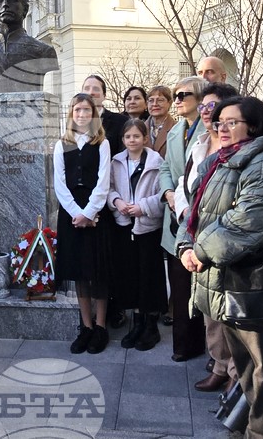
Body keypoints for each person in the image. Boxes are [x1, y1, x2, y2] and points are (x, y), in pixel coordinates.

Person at [177, 96, 263, 439]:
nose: (222, 128)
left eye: (232, 122)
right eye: (219, 122)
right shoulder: (218, 162)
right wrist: (185, 245)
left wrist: (200, 251)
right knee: (245, 368)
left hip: (253, 286)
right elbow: (194, 212)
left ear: (253, 126)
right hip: (224, 283)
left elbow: (247, 223)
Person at [176, 82, 239, 392]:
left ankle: (236, 373)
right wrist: (185, 224)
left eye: (211, 107)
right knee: (209, 309)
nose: (204, 112)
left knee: (230, 312)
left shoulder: (238, 147)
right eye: (202, 106)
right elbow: (185, 186)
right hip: (197, 237)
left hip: (225, 243)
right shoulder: (199, 144)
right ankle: (219, 364)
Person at [54, 93, 112, 354]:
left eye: (87, 110)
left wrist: (89, 213)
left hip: (95, 211)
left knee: (97, 271)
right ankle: (86, 326)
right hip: (71, 213)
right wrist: (77, 213)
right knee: (79, 271)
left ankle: (100, 327)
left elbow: (103, 181)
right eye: (77, 110)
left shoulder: (102, 143)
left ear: (93, 114)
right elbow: (59, 183)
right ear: (71, 113)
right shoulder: (62, 144)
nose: (82, 114)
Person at [158, 76, 207, 361]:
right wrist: (168, 193)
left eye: (183, 95)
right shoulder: (176, 131)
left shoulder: (209, 130)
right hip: (176, 218)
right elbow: (166, 168)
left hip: (200, 216)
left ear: (199, 99)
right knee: (179, 285)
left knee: (202, 286)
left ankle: (211, 350)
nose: (176, 100)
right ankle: (183, 346)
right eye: (175, 95)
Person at [107, 119, 166, 351]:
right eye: (128, 136)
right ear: (123, 140)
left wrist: (143, 206)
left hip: (147, 226)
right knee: (130, 275)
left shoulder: (156, 161)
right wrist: (117, 202)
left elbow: (163, 193)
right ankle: (137, 322)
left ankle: (151, 326)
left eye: (136, 136)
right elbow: (109, 188)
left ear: (145, 138)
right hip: (124, 225)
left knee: (149, 275)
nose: (132, 140)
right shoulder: (116, 162)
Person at [82, 74, 129, 328]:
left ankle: (115, 308)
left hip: (112, 198)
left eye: (96, 89)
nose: (91, 92)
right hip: (83, 201)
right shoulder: (77, 122)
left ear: (104, 94)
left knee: (114, 256)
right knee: (90, 261)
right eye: (87, 88)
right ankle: (90, 315)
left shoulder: (119, 122)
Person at [145, 85, 174, 157]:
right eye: (151, 100)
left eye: (160, 100)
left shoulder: (177, 128)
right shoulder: (139, 128)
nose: (155, 104)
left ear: (169, 103)